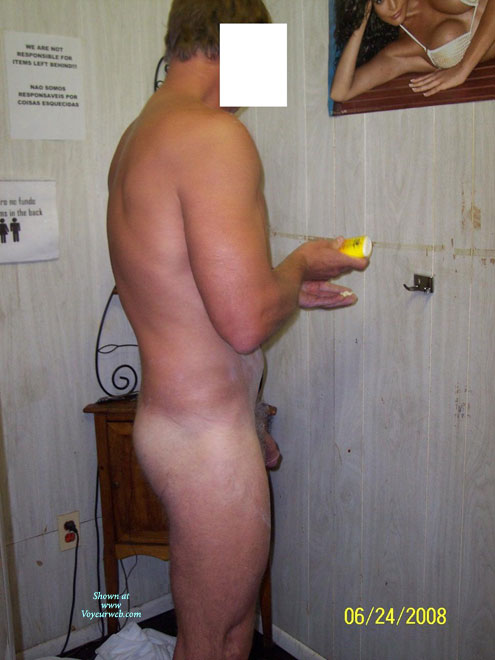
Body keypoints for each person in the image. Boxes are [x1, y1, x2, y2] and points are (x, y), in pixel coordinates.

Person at [106, 1, 368, 658]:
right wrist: (298, 263)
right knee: (220, 641)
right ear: (242, 47)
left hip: (179, 426)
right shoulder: (213, 136)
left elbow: (197, 299)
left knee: (211, 633)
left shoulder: (140, 136)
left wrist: (283, 289)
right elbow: (246, 322)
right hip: (205, 446)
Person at [330, 0, 495, 101]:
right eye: (379, 1)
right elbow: (341, 92)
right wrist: (360, 17)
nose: (392, 6)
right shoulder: (404, 51)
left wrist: (463, 68)